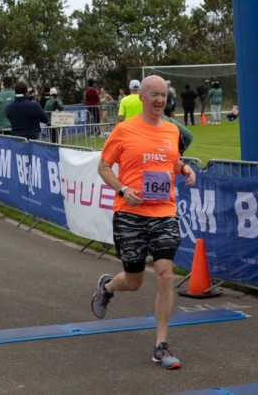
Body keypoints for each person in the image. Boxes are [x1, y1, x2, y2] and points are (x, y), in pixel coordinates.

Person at [92, 75, 196, 370]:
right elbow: (104, 167)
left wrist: (184, 168)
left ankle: (161, 346)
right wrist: (123, 189)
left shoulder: (172, 130)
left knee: (165, 274)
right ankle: (108, 287)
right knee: (134, 280)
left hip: (164, 211)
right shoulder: (124, 130)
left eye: (163, 95)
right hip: (130, 212)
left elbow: (170, 160)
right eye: (154, 95)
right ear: (141, 97)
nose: (160, 100)